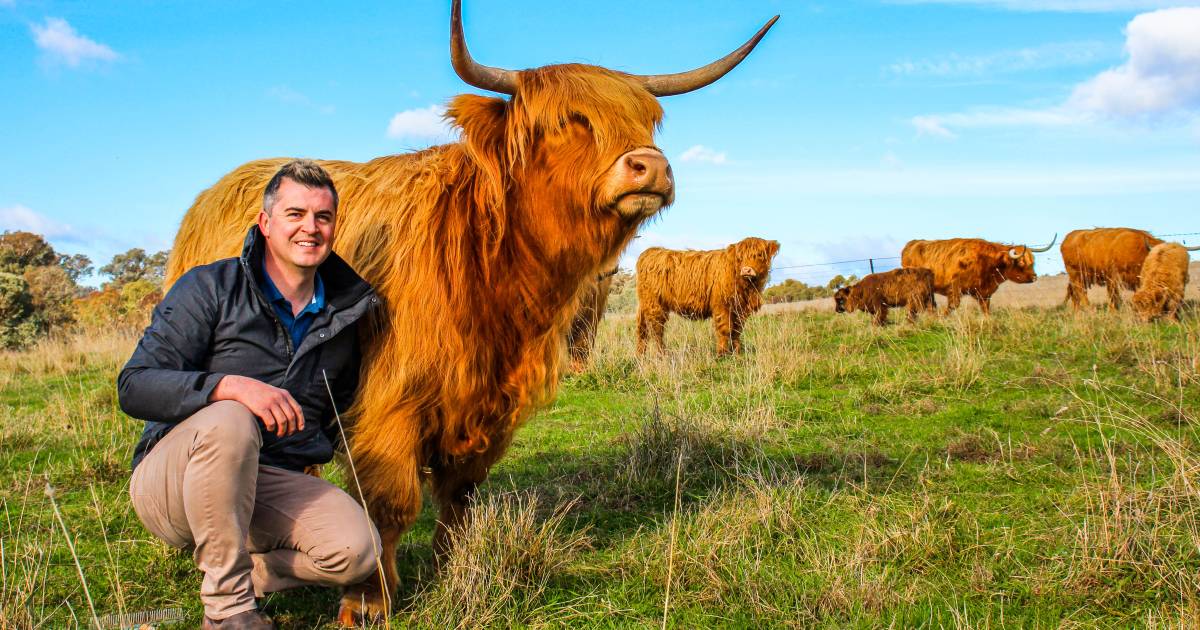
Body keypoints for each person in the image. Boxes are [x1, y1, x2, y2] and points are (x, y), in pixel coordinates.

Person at [119, 160, 381, 629]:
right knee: (232, 418)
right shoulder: (211, 287)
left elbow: (336, 412)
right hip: (174, 484)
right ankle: (228, 611)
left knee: (358, 552)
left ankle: (251, 573)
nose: (310, 228)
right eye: (295, 214)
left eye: (323, 217)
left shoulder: (345, 315)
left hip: (263, 484)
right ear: (265, 223)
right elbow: (134, 384)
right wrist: (226, 386)